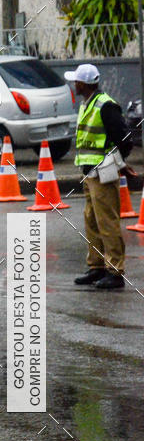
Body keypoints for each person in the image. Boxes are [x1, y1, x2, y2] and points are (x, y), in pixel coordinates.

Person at [65, 64, 134, 290]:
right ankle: (97, 267)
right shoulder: (89, 103)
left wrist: (114, 164)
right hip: (89, 173)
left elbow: (125, 141)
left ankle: (115, 272)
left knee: (107, 222)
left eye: (76, 81)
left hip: (102, 174)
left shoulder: (105, 106)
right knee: (92, 221)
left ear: (83, 84)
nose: (74, 84)